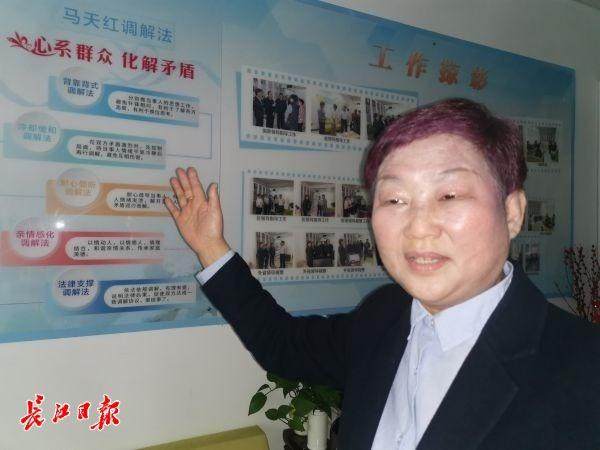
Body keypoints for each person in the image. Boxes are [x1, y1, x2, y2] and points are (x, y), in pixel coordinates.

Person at [165, 98, 600, 450]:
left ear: (512, 212)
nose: (418, 226)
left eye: (449, 194)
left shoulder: (583, 368)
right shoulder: (384, 316)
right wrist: (210, 247)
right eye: (395, 200)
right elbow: (284, 345)